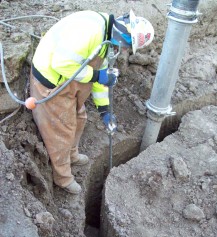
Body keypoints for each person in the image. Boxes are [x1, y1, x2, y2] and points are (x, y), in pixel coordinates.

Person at [30, 9, 154, 194]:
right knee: (61, 131)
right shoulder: (91, 31)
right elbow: (61, 64)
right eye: (128, 45)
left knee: (80, 118)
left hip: (71, 77)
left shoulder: (105, 37)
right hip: (52, 80)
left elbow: (98, 79)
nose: (125, 50)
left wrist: (105, 110)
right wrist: (97, 75)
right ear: (125, 35)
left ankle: (71, 155)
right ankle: (63, 178)